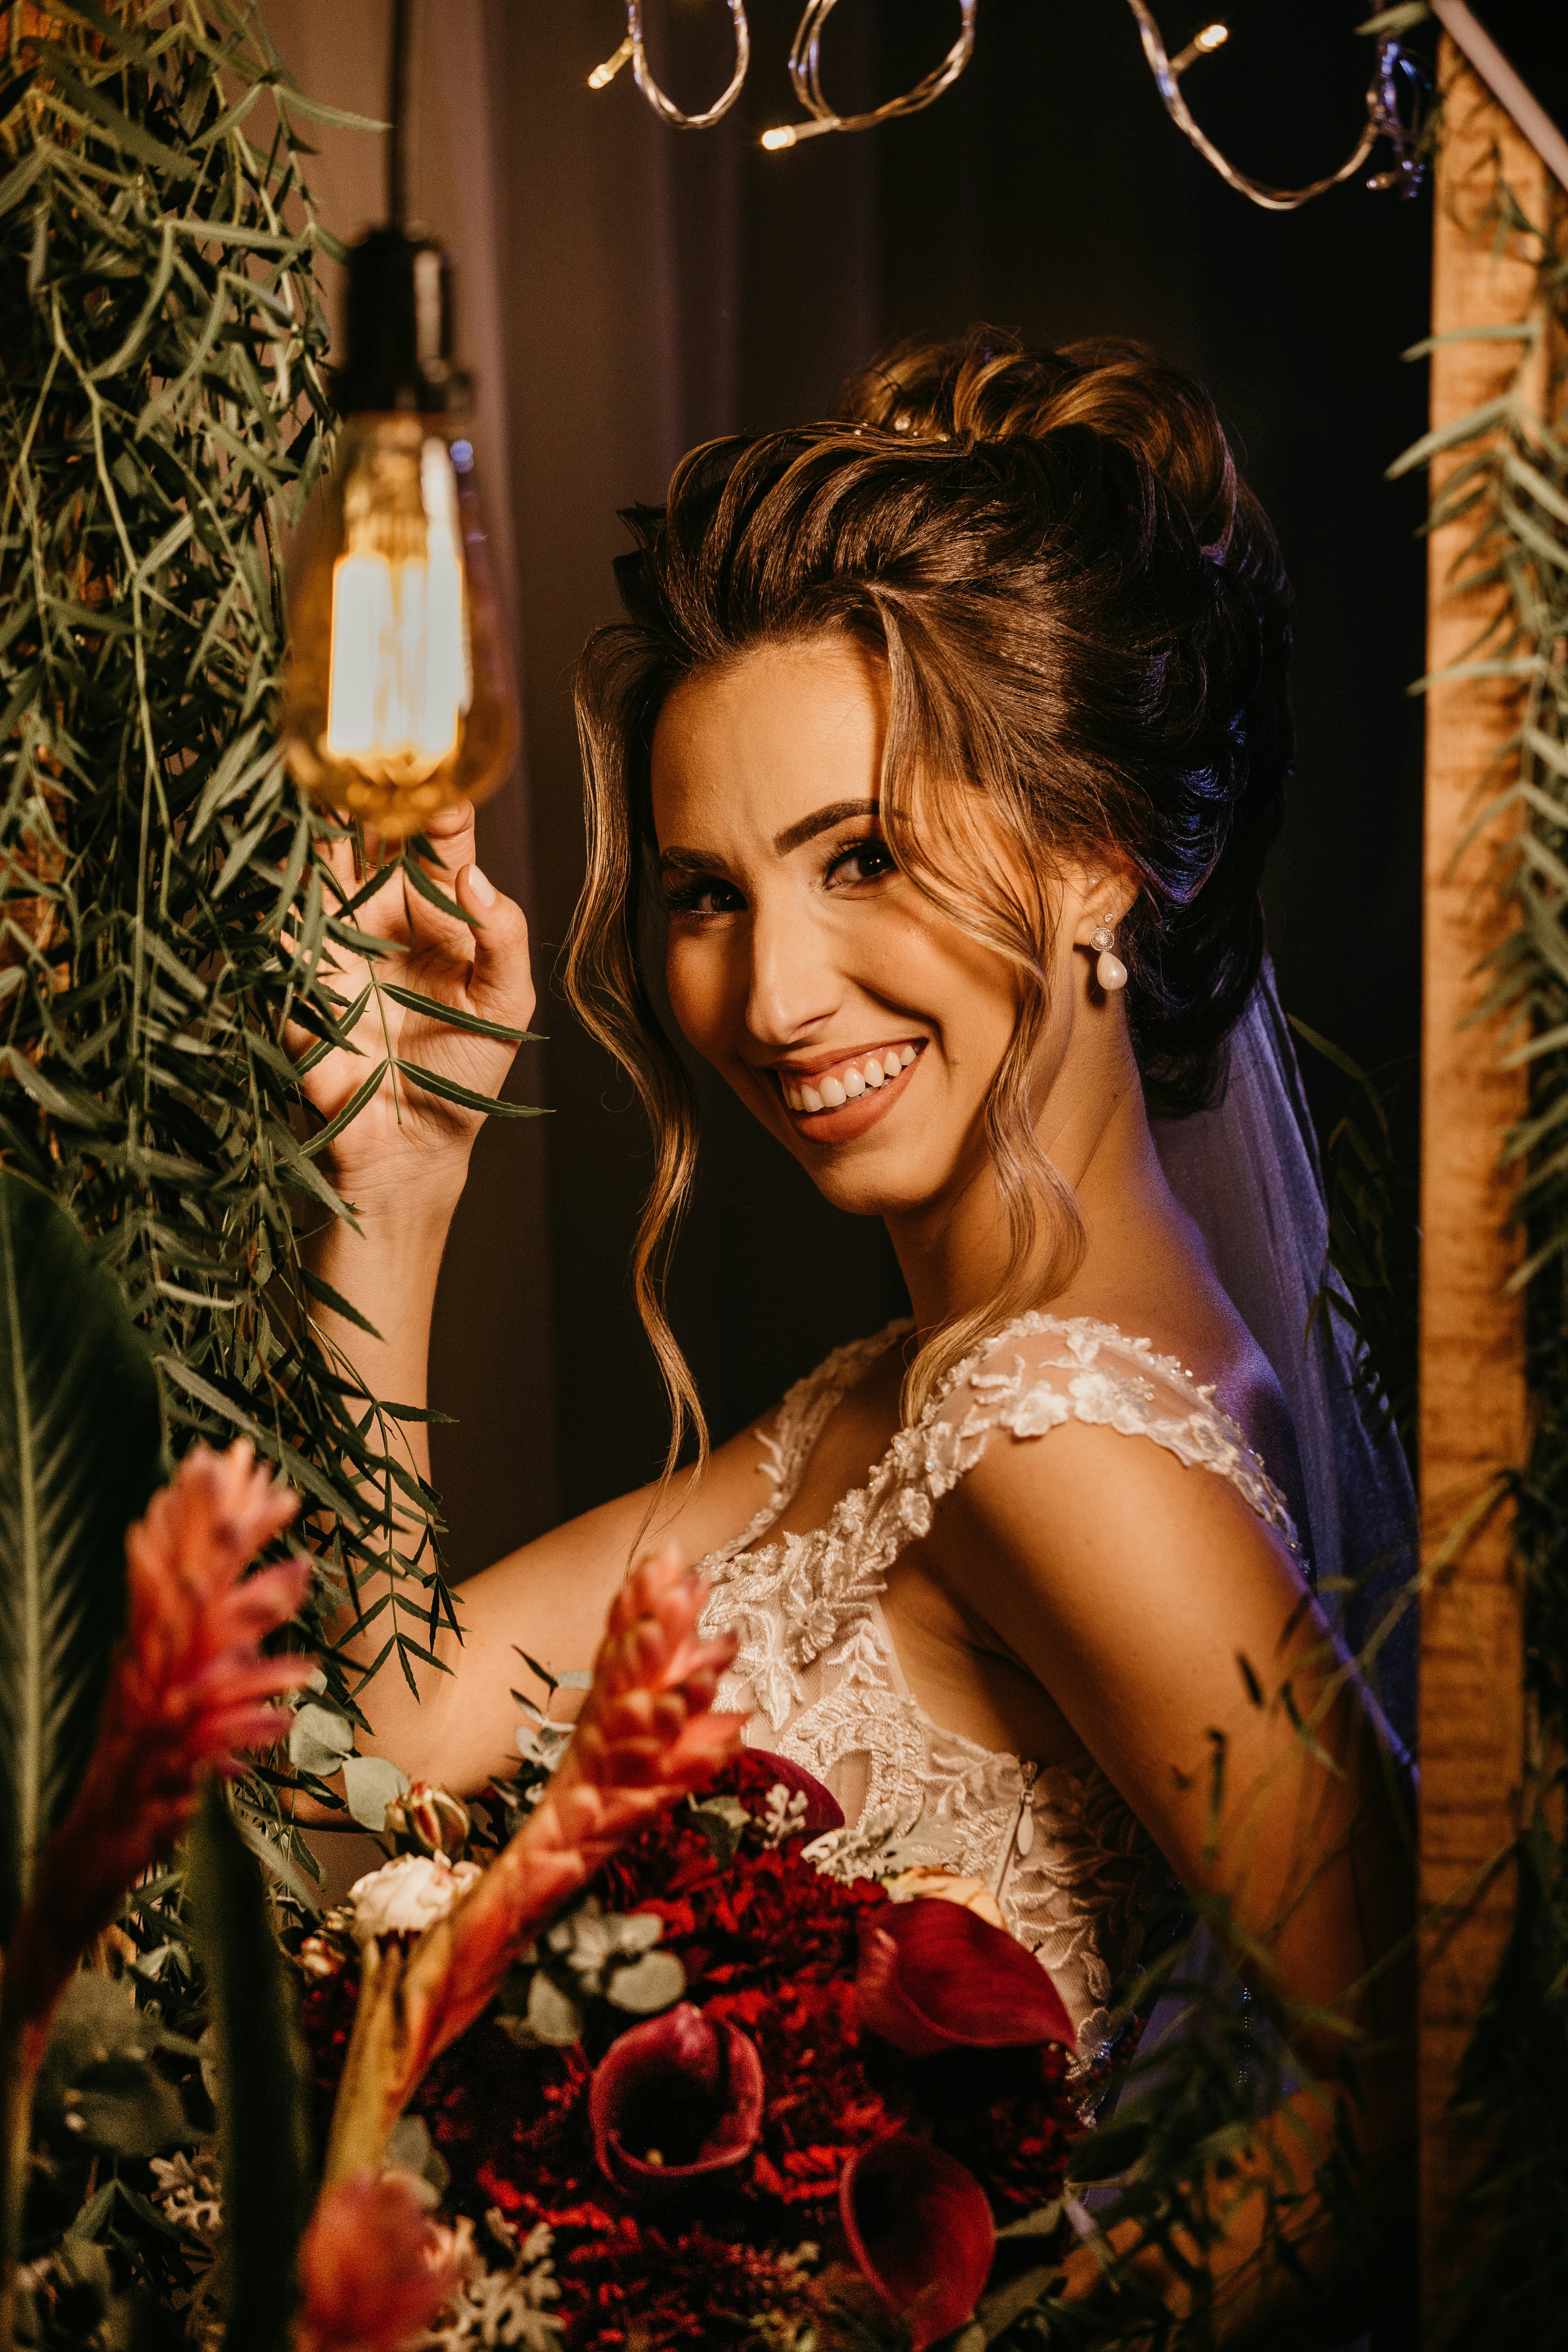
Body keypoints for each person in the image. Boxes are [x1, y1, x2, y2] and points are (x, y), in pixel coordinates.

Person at [299, 335, 1414, 2341]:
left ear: (1097, 858)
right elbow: (363, 1773)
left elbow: (1431, 2069)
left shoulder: (1046, 1431)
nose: (773, 991)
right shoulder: (907, 1404)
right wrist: (400, 1195)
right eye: (710, 893)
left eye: (864, 856)